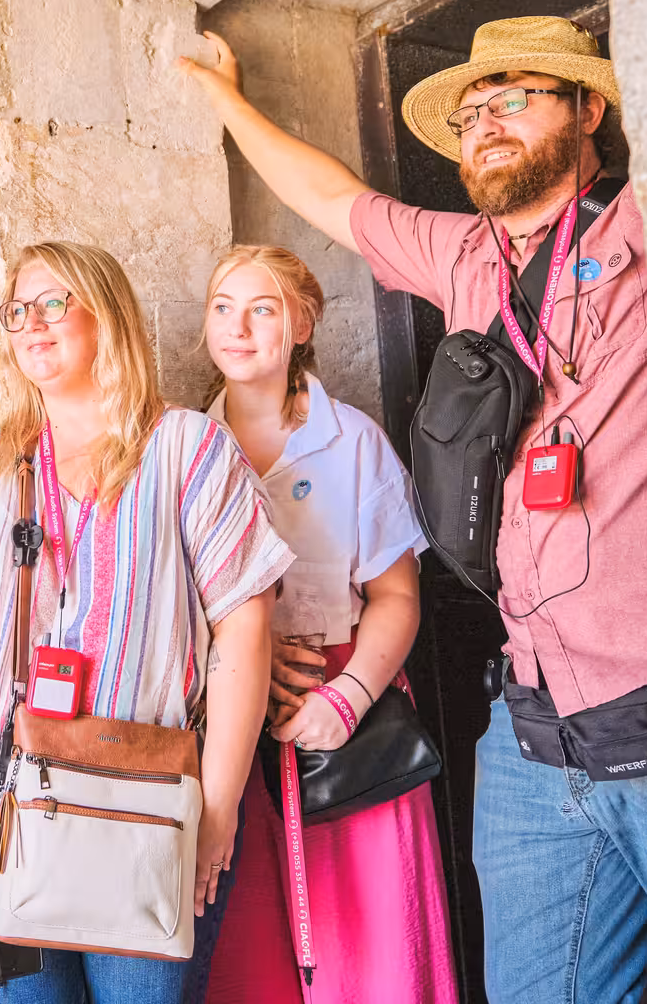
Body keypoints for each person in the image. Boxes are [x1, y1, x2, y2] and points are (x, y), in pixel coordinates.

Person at [176, 18, 647, 1004]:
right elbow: (334, 200)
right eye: (470, 113)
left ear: (588, 109)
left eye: (512, 98)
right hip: (531, 734)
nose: (483, 124)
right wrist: (223, 98)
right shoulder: (464, 259)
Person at [0, 240, 288, 1004]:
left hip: (150, 814)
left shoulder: (190, 450)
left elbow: (244, 637)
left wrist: (213, 812)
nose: (32, 325)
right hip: (9, 811)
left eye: (54, 303)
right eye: (18, 310)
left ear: (105, 316)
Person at [198, 244, 459, 1004]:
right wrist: (241, 658)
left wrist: (346, 698)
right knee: (250, 956)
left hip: (349, 712)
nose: (238, 328)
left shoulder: (353, 442)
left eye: (262, 308)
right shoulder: (184, 445)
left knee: (371, 949)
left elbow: (397, 597)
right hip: (230, 726)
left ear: (302, 323)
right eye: (223, 308)